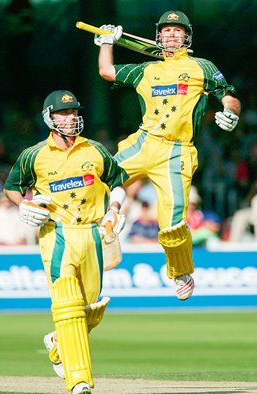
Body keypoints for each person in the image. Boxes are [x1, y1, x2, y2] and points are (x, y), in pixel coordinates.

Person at [94, 10, 241, 300]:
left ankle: (181, 270)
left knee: (172, 225)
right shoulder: (146, 70)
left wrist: (231, 112)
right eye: (167, 31)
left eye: (178, 31)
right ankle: (113, 214)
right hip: (144, 140)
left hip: (177, 151)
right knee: (98, 175)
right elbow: (106, 72)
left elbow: (229, 96)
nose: (172, 35)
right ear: (158, 36)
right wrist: (106, 43)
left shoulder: (202, 67)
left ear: (187, 37)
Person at [3, 90, 128, 394]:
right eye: (63, 113)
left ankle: (59, 343)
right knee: (68, 306)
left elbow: (117, 181)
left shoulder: (95, 149)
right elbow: (12, 188)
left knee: (92, 308)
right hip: (56, 233)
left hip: (92, 234)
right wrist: (23, 205)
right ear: (49, 117)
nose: (71, 117)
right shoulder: (34, 155)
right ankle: (79, 380)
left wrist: (114, 208)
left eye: (73, 112)